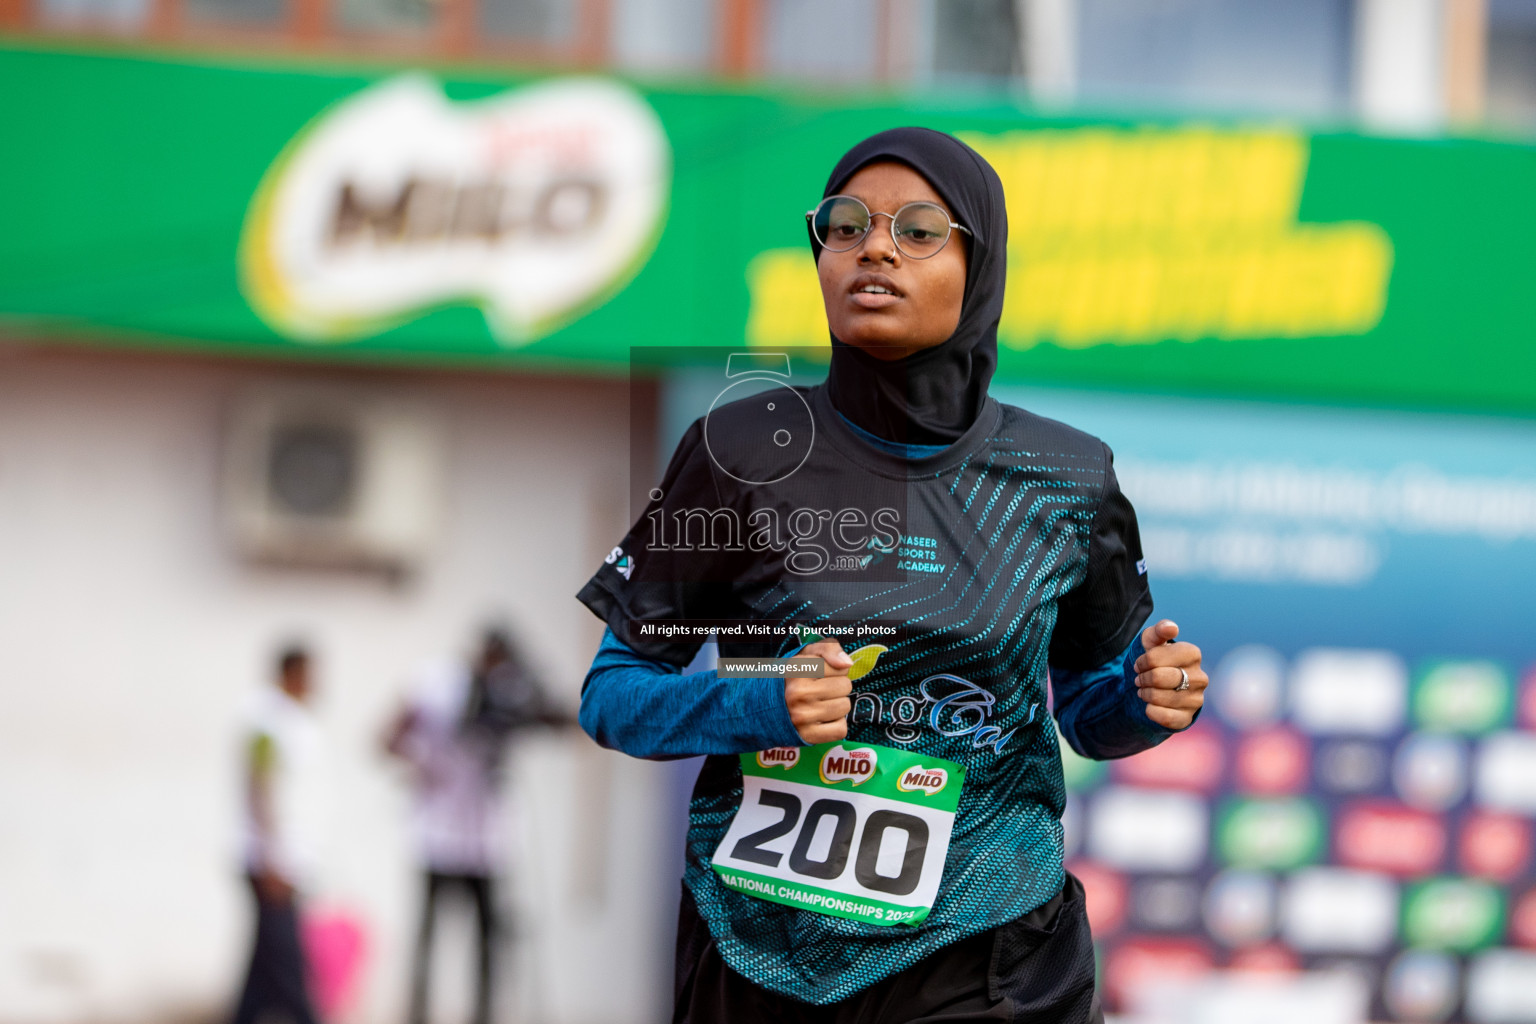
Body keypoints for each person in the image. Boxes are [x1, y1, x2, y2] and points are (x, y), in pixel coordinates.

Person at [574, 128, 1210, 1023]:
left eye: (918, 230)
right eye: (844, 226)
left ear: (978, 264)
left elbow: (1092, 717)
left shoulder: (1065, 479)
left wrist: (1145, 703)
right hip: (758, 953)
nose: (874, 246)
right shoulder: (742, 449)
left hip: (984, 951)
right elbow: (613, 696)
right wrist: (759, 703)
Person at [382, 627, 567, 1024]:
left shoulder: (511, 689)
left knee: (489, 938)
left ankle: (483, 1015)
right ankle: (418, 1013)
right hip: (438, 834)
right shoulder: (437, 683)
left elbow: (559, 719)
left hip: (486, 839)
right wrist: (421, 763)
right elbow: (387, 737)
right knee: (428, 937)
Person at [233, 644, 328, 1024]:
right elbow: (261, 786)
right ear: (291, 673)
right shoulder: (266, 718)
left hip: (284, 859)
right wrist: (272, 857)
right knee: (289, 966)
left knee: (262, 969)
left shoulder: (290, 720)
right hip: (271, 863)